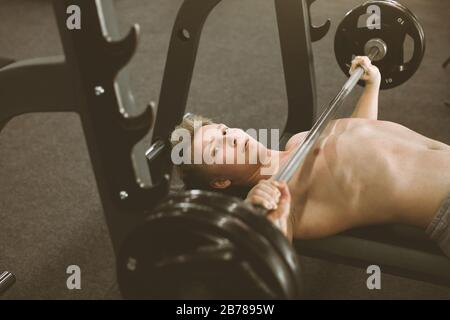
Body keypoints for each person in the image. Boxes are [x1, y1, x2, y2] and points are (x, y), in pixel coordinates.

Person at [170, 56, 450, 257]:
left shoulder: (298, 140)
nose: (229, 137)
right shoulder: (276, 196)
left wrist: (370, 86)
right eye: (216, 149)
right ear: (220, 182)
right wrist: (257, 214)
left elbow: (362, 135)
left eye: (222, 130)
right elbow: (271, 248)